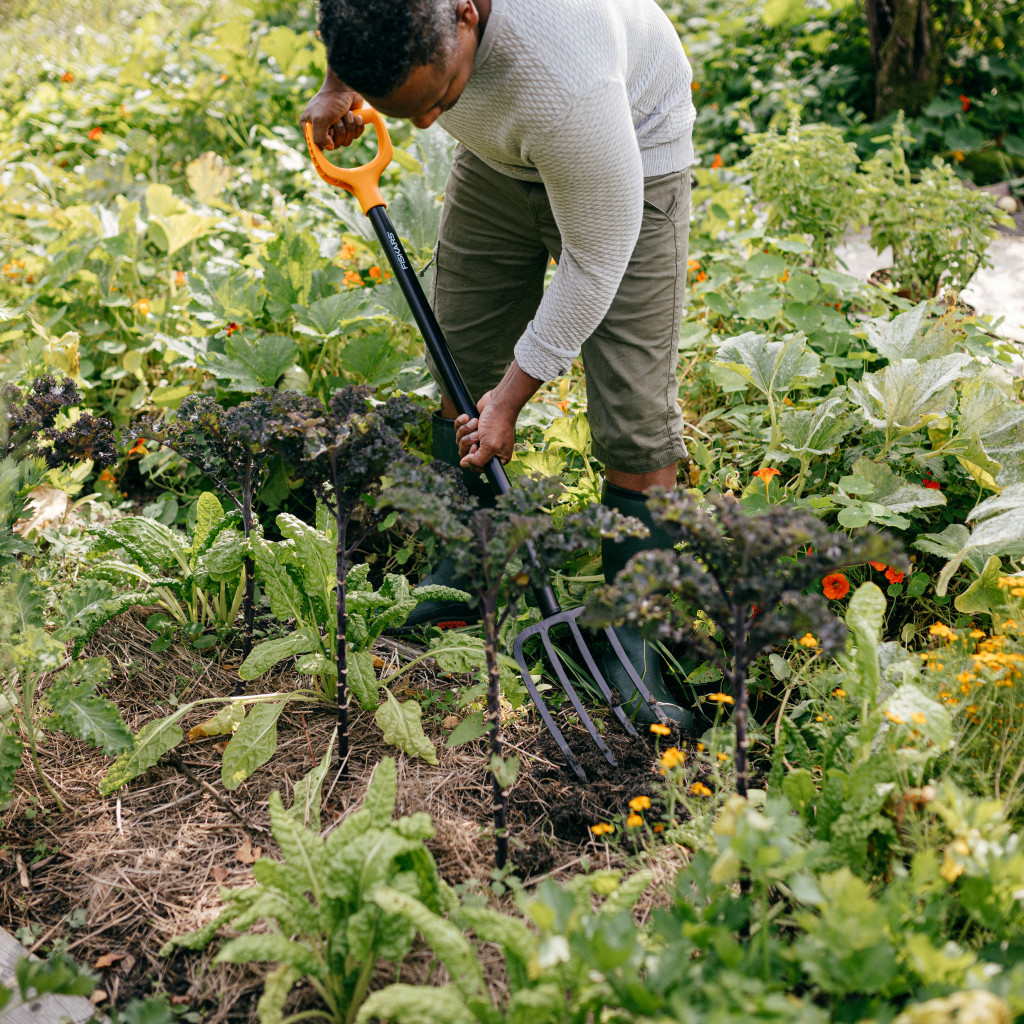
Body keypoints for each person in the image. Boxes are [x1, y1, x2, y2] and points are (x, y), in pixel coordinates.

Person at [301, 0, 696, 727]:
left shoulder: (568, 76)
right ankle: (469, 566)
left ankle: (632, 632)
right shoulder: (404, 19)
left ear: (466, 13)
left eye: (440, 96)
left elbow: (594, 265)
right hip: (498, 156)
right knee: (463, 358)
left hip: (628, 154)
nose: (427, 124)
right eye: (411, 110)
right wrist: (338, 84)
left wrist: (511, 399)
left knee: (634, 416)